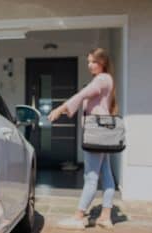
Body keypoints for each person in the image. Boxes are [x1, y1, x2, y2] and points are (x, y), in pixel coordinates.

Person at [47, 48, 118, 230]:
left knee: (91, 177)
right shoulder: (107, 79)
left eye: (93, 61)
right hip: (103, 133)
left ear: (102, 62)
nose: (89, 65)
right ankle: (105, 217)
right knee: (107, 175)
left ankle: (79, 217)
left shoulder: (101, 79)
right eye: (88, 61)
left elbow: (82, 95)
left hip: (96, 133)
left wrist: (60, 109)